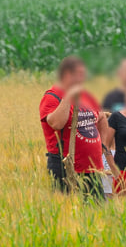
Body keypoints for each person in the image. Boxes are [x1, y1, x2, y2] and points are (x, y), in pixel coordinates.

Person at [39, 56, 108, 200]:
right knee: (68, 214)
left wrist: (103, 145)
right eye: (79, 75)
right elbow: (56, 124)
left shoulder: (85, 95)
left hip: (92, 166)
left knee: (97, 212)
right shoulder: (52, 97)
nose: (83, 79)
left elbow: (100, 117)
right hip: (67, 167)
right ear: (66, 75)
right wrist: (69, 95)